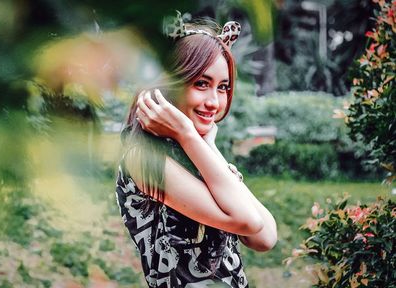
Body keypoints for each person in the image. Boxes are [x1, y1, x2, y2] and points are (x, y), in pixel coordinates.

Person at [115, 11, 277, 288]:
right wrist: (191, 136)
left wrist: (206, 145)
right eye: (201, 83)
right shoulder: (143, 158)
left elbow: (265, 238)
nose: (214, 101)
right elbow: (248, 222)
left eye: (223, 87)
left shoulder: (194, 151)